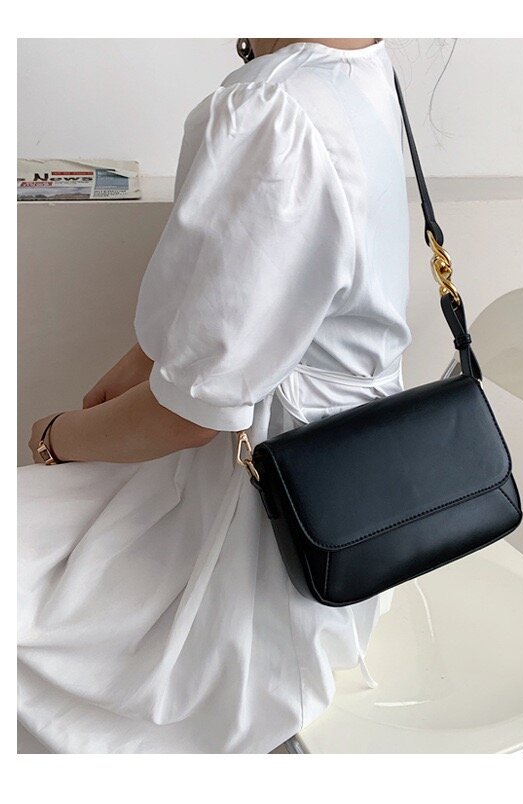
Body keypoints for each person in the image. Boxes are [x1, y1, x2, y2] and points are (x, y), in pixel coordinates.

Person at [18, 37, 411, 753]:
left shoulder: (275, 109)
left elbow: (189, 419)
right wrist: (148, 361)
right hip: (354, 519)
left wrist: (51, 438)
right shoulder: (364, 68)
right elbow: (264, 292)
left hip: (257, 544)